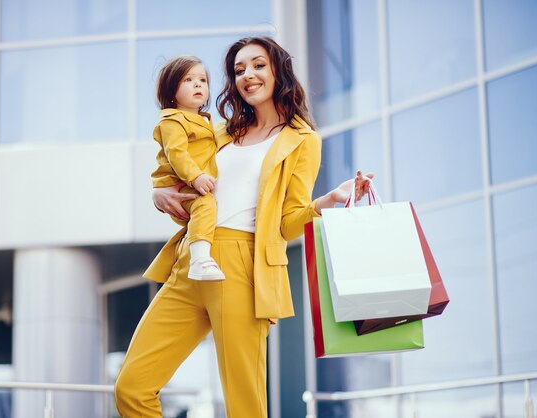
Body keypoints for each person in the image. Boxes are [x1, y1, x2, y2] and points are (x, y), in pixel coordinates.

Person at [115, 36, 373, 418]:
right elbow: (177, 174)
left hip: (242, 266)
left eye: (257, 65)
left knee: (244, 405)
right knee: (131, 388)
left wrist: (327, 201)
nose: (247, 75)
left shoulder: (302, 141)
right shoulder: (219, 132)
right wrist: (159, 194)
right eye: (238, 70)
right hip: (190, 261)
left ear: (277, 71)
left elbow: (286, 223)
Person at [151, 56, 225, 281]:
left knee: (205, 209)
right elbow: (177, 154)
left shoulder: (206, 121)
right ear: (171, 91)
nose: (198, 84)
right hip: (181, 184)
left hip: (190, 183)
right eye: (188, 80)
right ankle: (200, 260)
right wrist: (196, 176)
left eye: (202, 80)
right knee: (204, 203)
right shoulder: (172, 121)